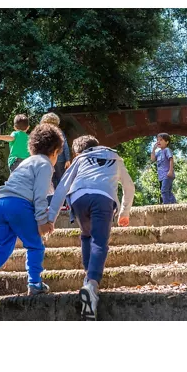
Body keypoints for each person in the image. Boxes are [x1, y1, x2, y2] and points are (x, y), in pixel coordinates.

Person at [0, 124, 64, 305]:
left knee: (3, 247)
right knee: (35, 245)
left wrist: (42, 215)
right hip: (18, 205)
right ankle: (35, 283)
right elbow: (40, 195)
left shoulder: (26, 162)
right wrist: (42, 221)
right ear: (55, 151)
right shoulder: (45, 164)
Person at [48, 135, 135, 321]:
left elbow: (62, 186)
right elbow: (129, 186)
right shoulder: (115, 157)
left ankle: (88, 279)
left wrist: (51, 218)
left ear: (78, 151)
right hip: (104, 197)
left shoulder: (79, 159)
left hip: (79, 198)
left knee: (87, 235)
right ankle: (92, 284)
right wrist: (125, 212)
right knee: (100, 241)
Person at [40, 113, 71, 193]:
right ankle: (61, 199)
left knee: (51, 180)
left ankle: (53, 198)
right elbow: (65, 145)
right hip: (59, 158)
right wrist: (67, 159)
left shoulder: (42, 132)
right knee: (61, 179)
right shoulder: (59, 131)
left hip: (49, 159)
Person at [151, 133, 176, 204]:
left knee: (164, 190)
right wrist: (153, 149)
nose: (158, 141)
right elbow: (153, 159)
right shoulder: (158, 152)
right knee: (168, 191)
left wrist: (170, 171)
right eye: (157, 140)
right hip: (161, 176)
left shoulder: (167, 150)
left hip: (167, 174)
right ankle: (174, 204)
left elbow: (171, 159)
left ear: (167, 142)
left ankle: (166, 205)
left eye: (161, 140)